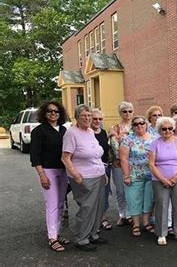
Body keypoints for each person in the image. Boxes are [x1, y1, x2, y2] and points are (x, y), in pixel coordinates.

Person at [61, 105, 107, 252]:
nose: (87, 119)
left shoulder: (90, 132)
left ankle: (93, 234)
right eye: (83, 116)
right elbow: (65, 157)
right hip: (83, 177)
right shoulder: (71, 133)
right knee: (87, 207)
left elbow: (96, 154)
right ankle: (81, 239)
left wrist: (104, 173)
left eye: (89, 115)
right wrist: (75, 174)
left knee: (98, 206)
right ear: (77, 117)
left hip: (98, 174)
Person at [30, 101, 69, 252]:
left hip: (63, 171)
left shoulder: (64, 130)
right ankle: (52, 237)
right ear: (44, 114)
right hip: (48, 171)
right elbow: (35, 155)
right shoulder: (39, 131)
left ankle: (57, 233)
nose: (53, 114)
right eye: (50, 111)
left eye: (56, 111)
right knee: (52, 204)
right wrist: (42, 175)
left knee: (60, 203)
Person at [148, 117, 177, 245]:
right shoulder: (155, 143)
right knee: (161, 206)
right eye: (164, 129)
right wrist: (163, 179)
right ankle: (161, 233)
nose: (167, 131)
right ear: (159, 130)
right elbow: (151, 164)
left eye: (170, 128)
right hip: (159, 180)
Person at [119, 116, 156, 237]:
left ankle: (145, 223)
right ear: (132, 127)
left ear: (146, 125)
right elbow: (123, 158)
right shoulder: (127, 139)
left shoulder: (154, 138)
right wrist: (126, 175)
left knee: (148, 199)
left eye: (142, 123)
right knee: (133, 199)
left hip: (151, 174)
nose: (139, 126)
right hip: (133, 174)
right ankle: (136, 224)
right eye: (136, 124)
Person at [109, 101, 134, 226]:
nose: (128, 113)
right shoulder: (115, 128)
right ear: (120, 113)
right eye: (125, 111)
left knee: (132, 189)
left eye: (130, 111)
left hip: (134, 164)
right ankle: (122, 214)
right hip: (119, 164)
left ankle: (131, 214)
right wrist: (122, 158)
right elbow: (114, 146)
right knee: (120, 190)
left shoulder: (137, 125)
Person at [91, 109, 112, 231]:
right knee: (93, 195)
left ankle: (102, 218)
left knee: (104, 194)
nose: (97, 121)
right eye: (95, 119)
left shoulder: (103, 132)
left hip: (105, 167)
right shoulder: (87, 133)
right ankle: (93, 220)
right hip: (91, 168)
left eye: (100, 119)